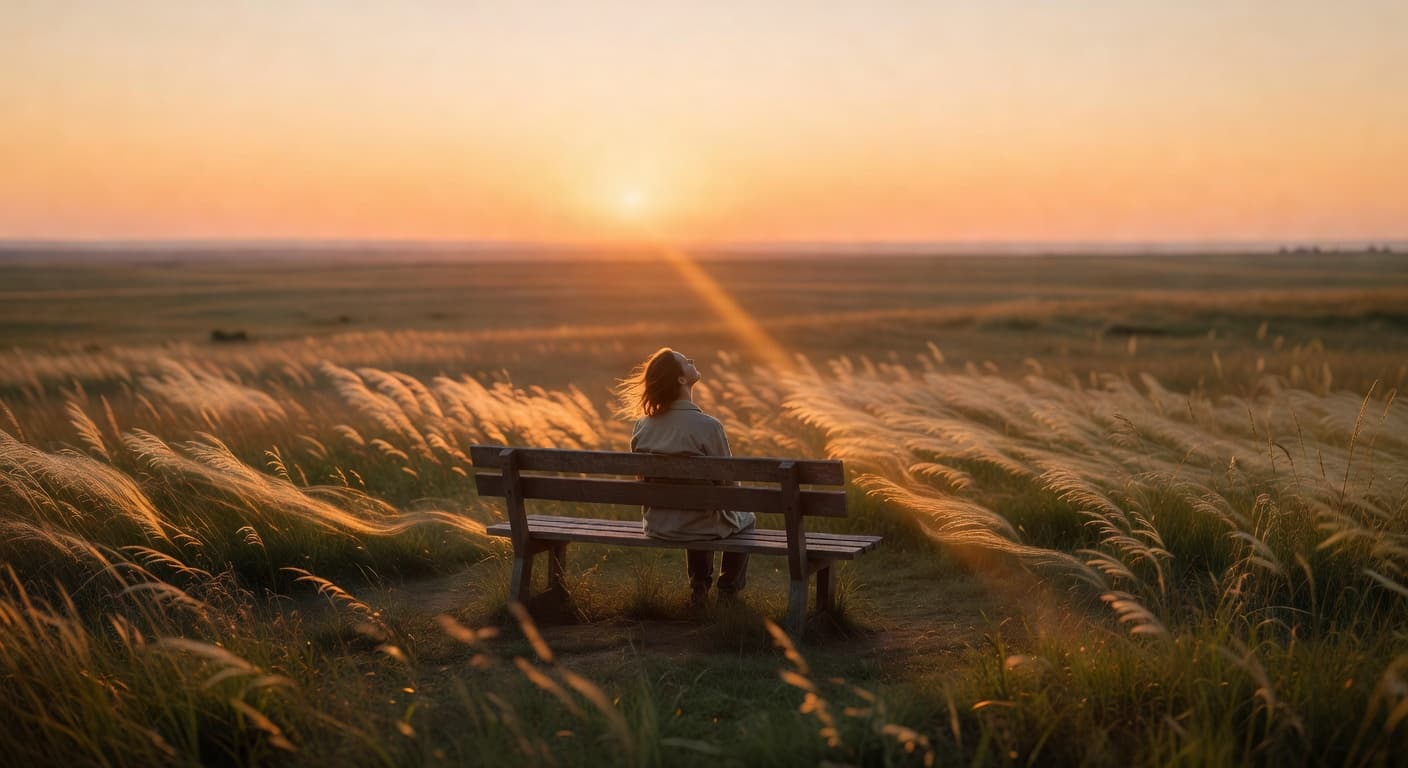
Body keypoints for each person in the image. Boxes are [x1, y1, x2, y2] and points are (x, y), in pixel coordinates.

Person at [617, 348, 755, 604]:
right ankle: (728, 591)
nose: (692, 361)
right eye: (686, 361)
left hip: (658, 525)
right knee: (746, 518)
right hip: (700, 526)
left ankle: (699, 588)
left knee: (697, 511)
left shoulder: (643, 425)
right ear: (681, 380)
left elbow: (641, 481)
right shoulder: (709, 427)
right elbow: (731, 488)